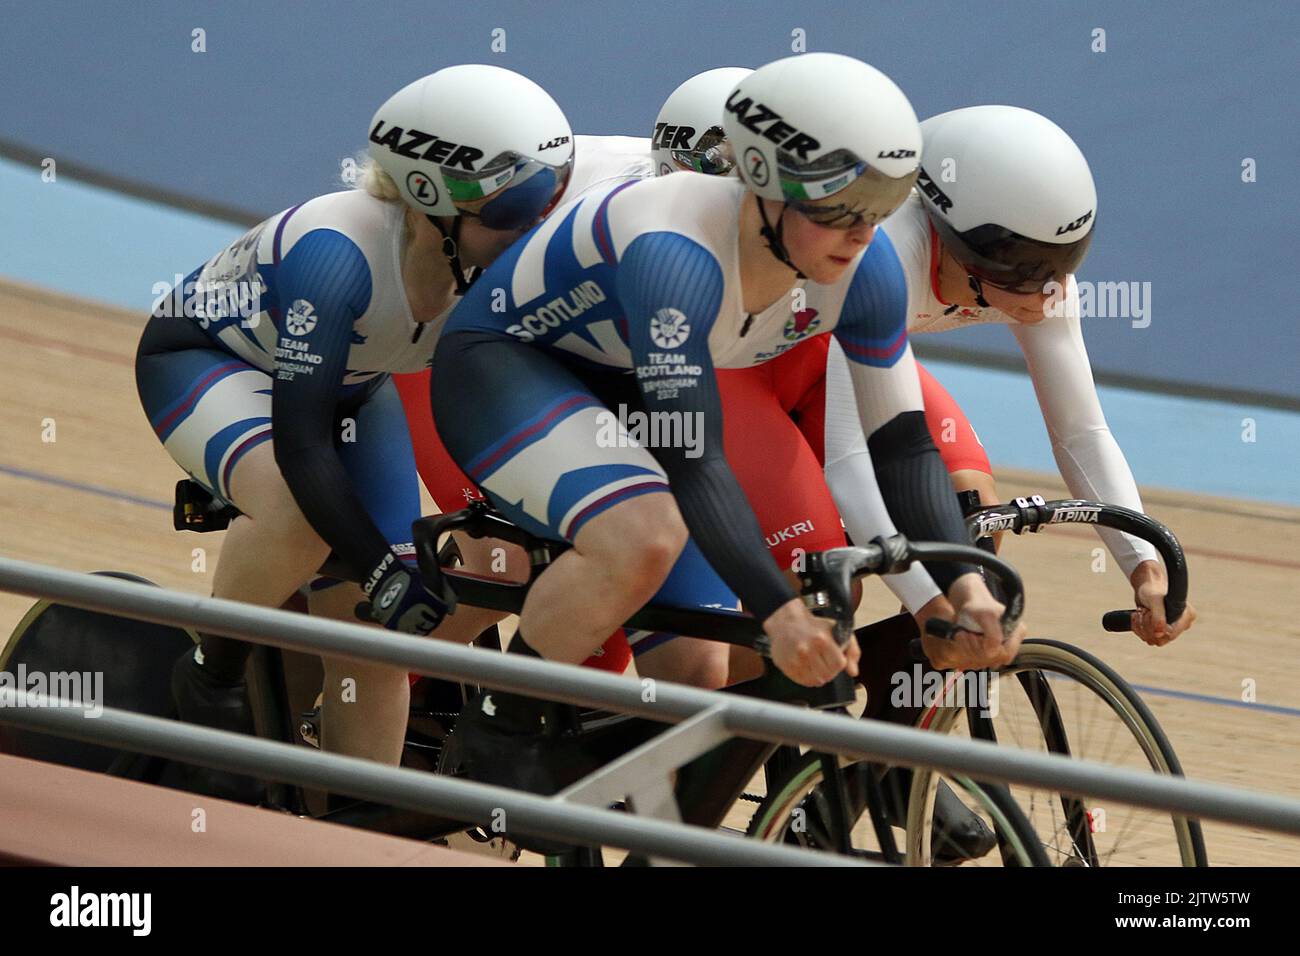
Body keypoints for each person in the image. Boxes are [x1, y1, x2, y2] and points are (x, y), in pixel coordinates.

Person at [428, 53, 1024, 793]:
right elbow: (695, 460)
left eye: (881, 205)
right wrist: (778, 613)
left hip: (625, 387)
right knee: (641, 536)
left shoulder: (862, 269)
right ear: (763, 188)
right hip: (508, 371)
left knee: (696, 676)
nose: (861, 233)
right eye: (837, 206)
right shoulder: (674, 253)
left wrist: (963, 583)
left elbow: (901, 444)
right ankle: (498, 724)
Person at [134, 64, 575, 798]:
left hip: (352, 387)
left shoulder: (486, 255)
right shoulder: (336, 258)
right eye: (521, 202)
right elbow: (305, 445)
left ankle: (355, 829)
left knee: (373, 638)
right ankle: (212, 669)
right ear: (432, 194)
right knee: (297, 516)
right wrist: (378, 565)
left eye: (552, 194)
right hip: (208, 363)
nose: (539, 223)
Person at [824, 105, 1198, 648]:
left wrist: (1146, 569)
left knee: (972, 512)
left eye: (1065, 260)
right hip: (786, 366)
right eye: (1025, 268)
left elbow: (1081, 433)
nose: (1048, 290)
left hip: (863, 359)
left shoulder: (1037, 281)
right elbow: (850, 457)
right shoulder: (889, 259)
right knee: (823, 592)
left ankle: (913, 702)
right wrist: (931, 608)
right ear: (955, 242)